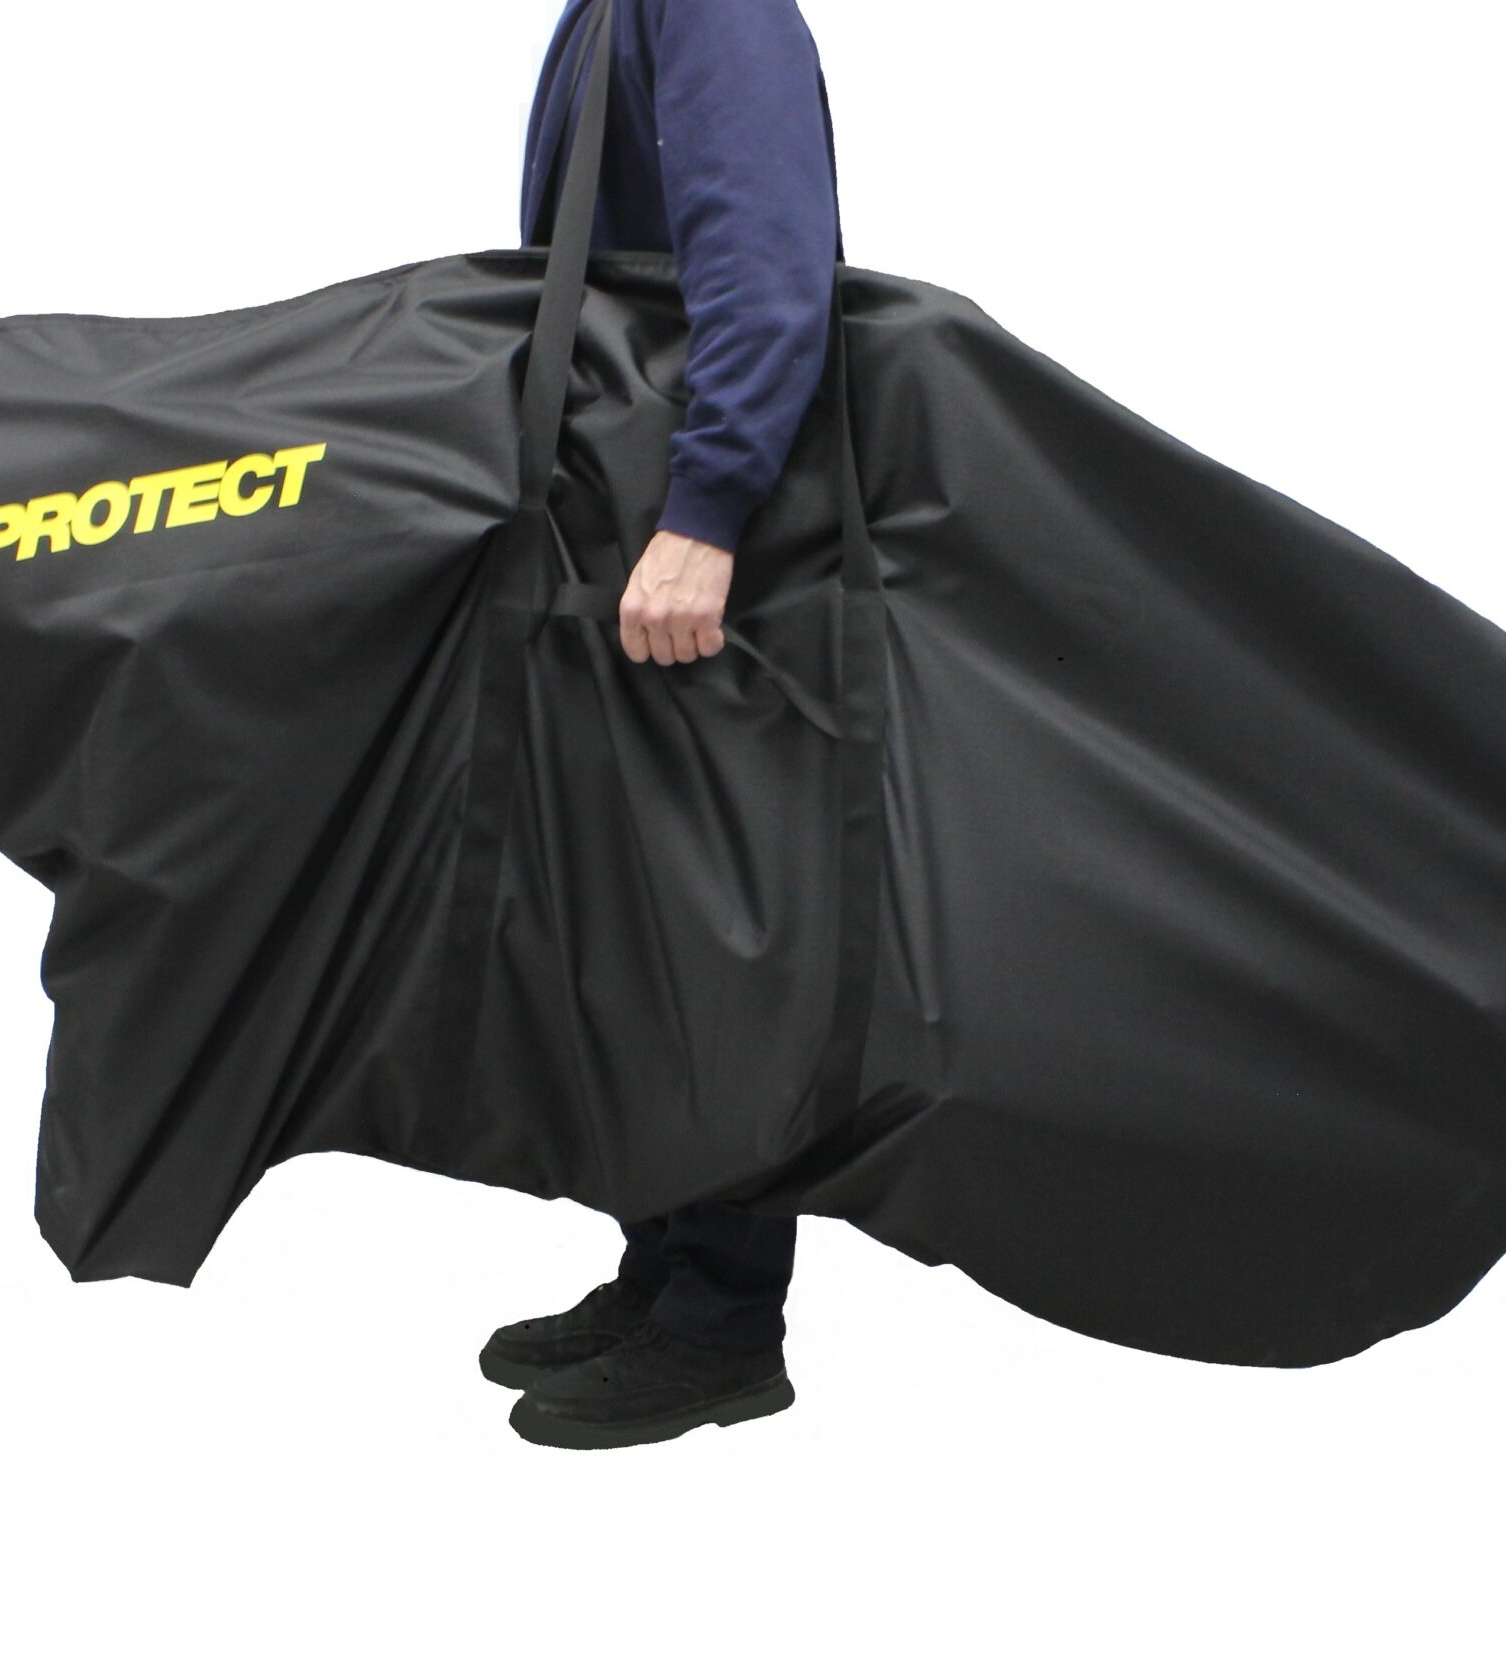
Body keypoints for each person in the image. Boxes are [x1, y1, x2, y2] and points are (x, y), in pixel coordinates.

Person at [479, 0, 844, 1450]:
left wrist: (709, 510)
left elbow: (767, 261)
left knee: (709, 929)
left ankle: (724, 1325)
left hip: (687, 541)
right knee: (634, 923)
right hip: (622, 527)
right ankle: (665, 1266)